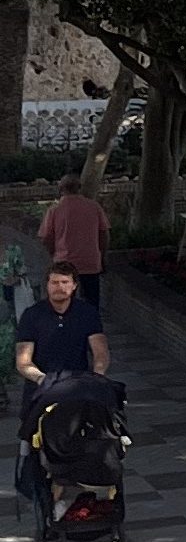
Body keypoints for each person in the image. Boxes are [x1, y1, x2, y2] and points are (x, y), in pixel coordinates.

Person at [18, 262, 109, 394]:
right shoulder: (31, 315)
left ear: (74, 286)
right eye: (54, 282)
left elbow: (100, 352)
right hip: (41, 387)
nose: (59, 287)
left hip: (78, 384)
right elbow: (23, 361)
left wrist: (97, 375)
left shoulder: (87, 312)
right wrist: (42, 379)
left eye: (65, 282)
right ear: (47, 285)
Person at [38, 169, 109, 309]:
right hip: (90, 261)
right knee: (91, 300)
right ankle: (90, 326)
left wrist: (53, 253)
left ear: (61, 189)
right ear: (79, 188)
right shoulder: (94, 207)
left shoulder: (55, 210)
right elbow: (104, 234)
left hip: (64, 262)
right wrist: (102, 256)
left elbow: (46, 237)